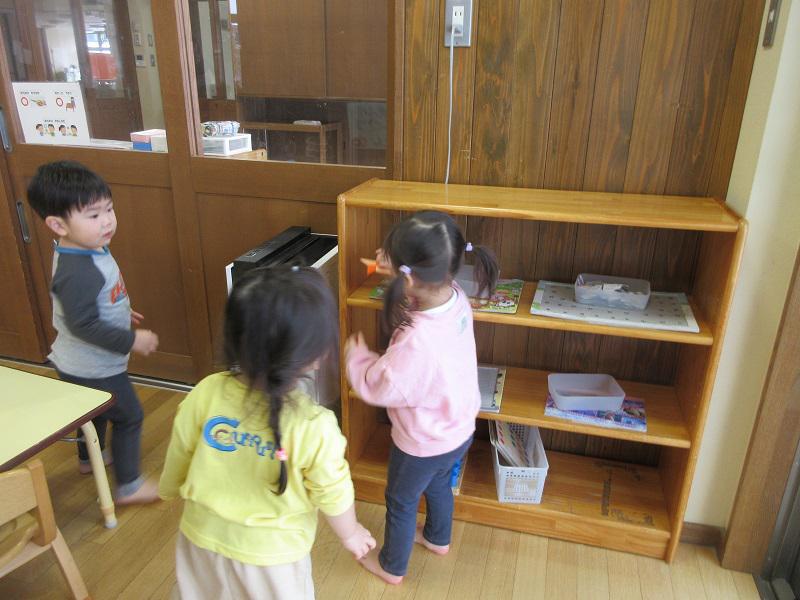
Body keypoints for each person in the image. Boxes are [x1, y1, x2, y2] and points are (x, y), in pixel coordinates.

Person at [159, 266, 376, 599]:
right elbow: (333, 490)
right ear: (314, 356)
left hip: (200, 537)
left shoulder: (206, 391)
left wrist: (169, 487)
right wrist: (351, 533)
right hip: (272, 559)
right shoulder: (314, 425)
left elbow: (181, 449)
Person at [345, 210, 498, 585]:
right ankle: (437, 538)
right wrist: (400, 270)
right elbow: (422, 290)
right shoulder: (456, 297)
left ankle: (392, 566)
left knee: (400, 501)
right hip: (458, 429)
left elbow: (381, 387)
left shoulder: (416, 342)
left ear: (409, 277)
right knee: (439, 483)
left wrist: (357, 360)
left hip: (421, 443)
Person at [27, 161, 160, 504]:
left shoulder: (83, 246)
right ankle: (129, 486)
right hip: (93, 366)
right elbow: (83, 323)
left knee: (94, 411)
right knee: (129, 416)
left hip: (81, 362)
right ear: (58, 225)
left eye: (109, 209)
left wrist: (121, 309)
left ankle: (90, 458)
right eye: (93, 215)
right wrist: (132, 339)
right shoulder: (79, 270)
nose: (107, 221)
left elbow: (92, 300)